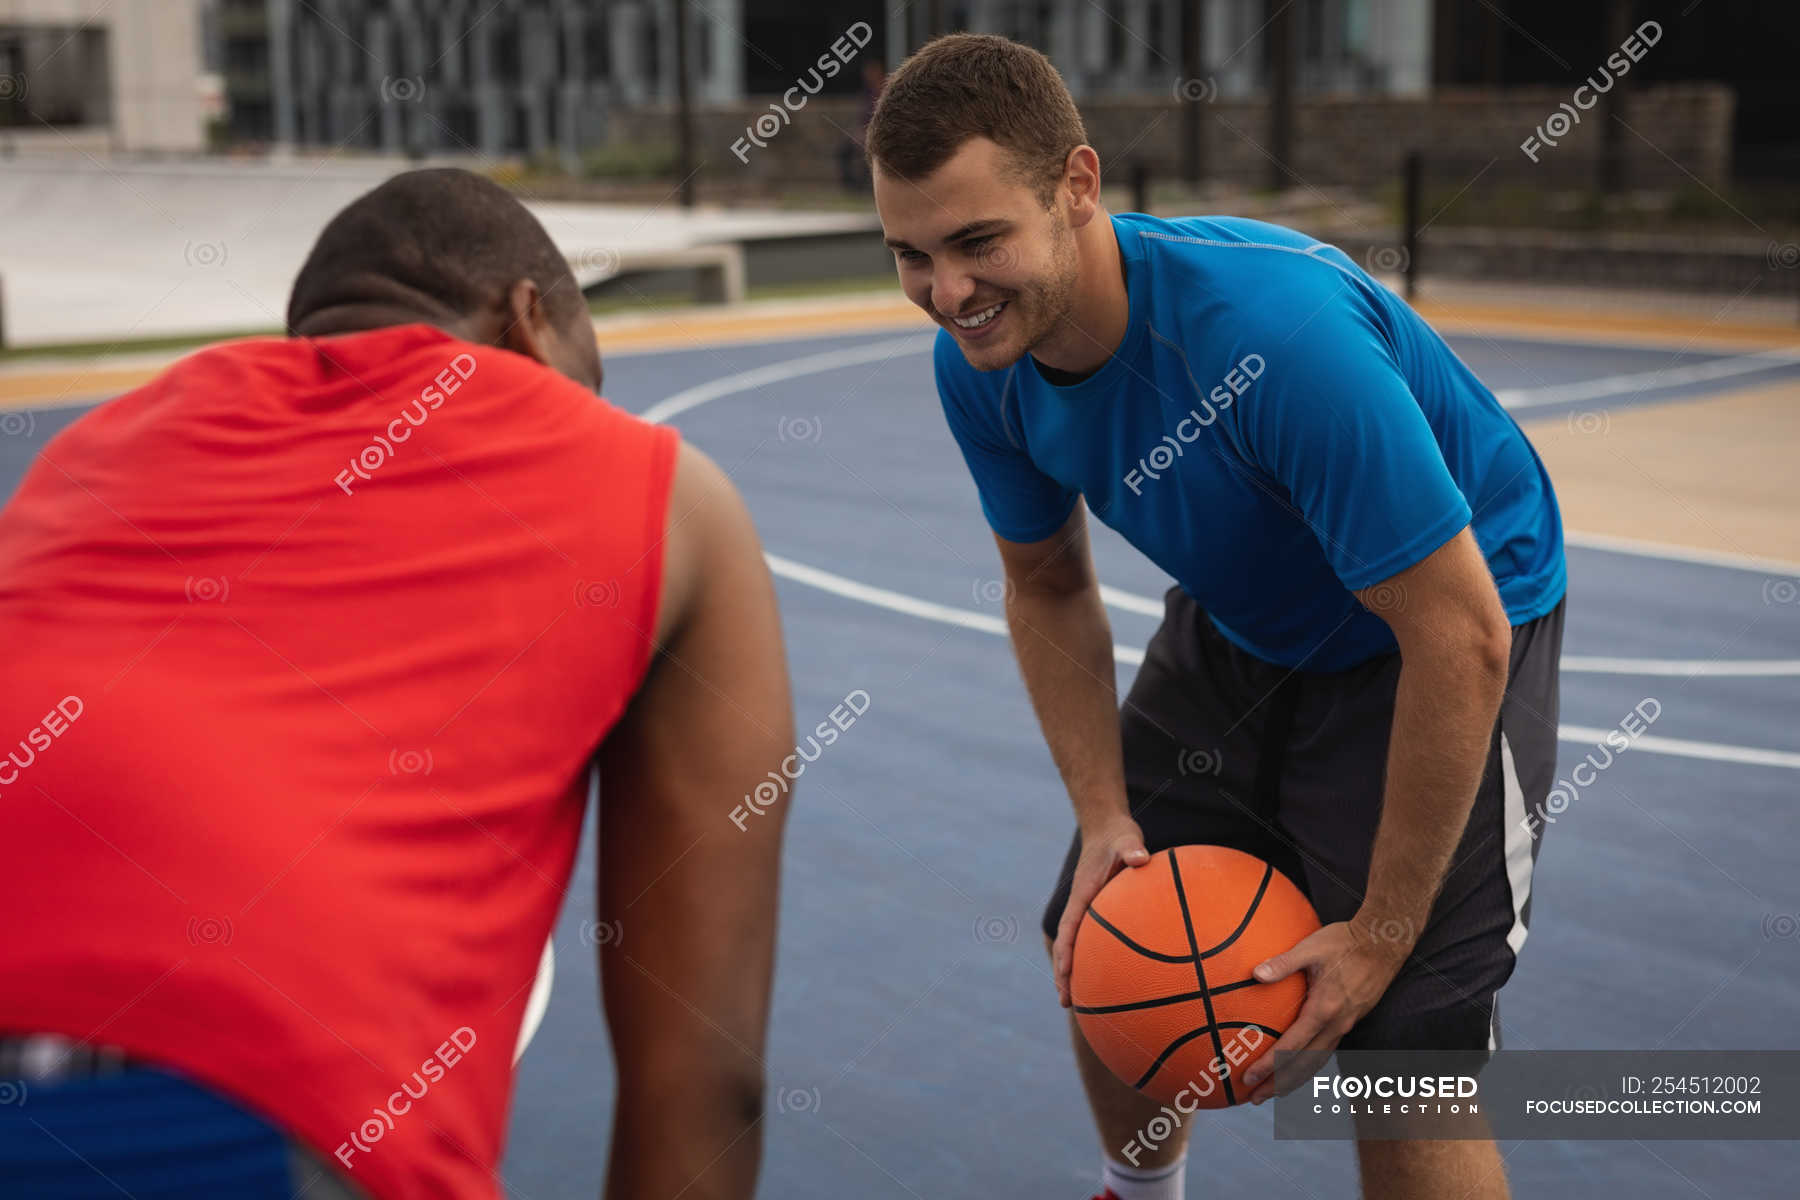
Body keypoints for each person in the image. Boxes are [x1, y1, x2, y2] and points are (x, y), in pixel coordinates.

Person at [0, 168, 792, 1199]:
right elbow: (706, 1083)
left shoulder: (88, 449)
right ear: (529, 320)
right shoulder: (656, 486)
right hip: (242, 1112)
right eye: (587, 373)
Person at [868, 35, 1564, 1200]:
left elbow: (1458, 632)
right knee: (1104, 937)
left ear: (1077, 187)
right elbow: (1046, 585)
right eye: (911, 256)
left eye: (978, 242)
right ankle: (1138, 1195)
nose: (948, 294)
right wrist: (1102, 816)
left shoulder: (1273, 335)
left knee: (1398, 1056)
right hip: (1252, 617)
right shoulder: (980, 362)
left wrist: (1383, 931)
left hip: (1448, 612)